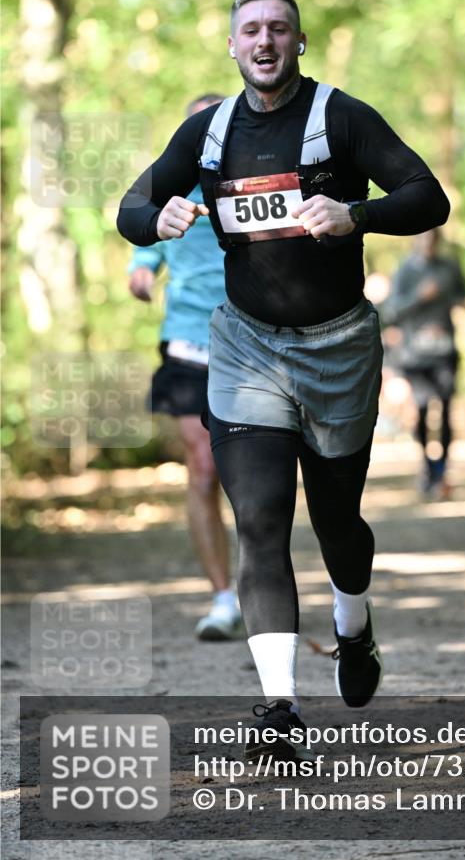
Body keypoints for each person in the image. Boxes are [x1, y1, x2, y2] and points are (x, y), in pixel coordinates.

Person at [117, 0, 449, 758]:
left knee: (337, 523)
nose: (264, 41)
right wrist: (156, 218)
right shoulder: (207, 133)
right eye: (251, 30)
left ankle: (353, 627)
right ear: (232, 46)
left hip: (337, 348)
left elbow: (427, 197)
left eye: (278, 29)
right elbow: (130, 208)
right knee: (261, 520)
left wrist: (355, 214)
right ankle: (278, 705)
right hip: (245, 349)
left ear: (298, 42)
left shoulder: (341, 117)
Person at [128, 93, 243, 642]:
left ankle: (263, 583)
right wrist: (141, 270)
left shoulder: (254, 182)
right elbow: (143, 236)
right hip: (189, 341)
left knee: (255, 476)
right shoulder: (169, 186)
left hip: (254, 340)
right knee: (203, 468)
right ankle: (223, 598)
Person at [384, 229, 465, 498]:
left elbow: (462, 297)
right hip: (415, 356)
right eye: (423, 238)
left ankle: (441, 471)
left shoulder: (449, 268)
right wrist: (420, 296)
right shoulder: (404, 270)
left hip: (445, 351)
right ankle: (427, 467)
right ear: (415, 240)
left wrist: (454, 311)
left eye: (433, 239)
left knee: (446, 410)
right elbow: (392, 311)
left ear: (438, 241)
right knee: (421, 411)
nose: (428, 243)